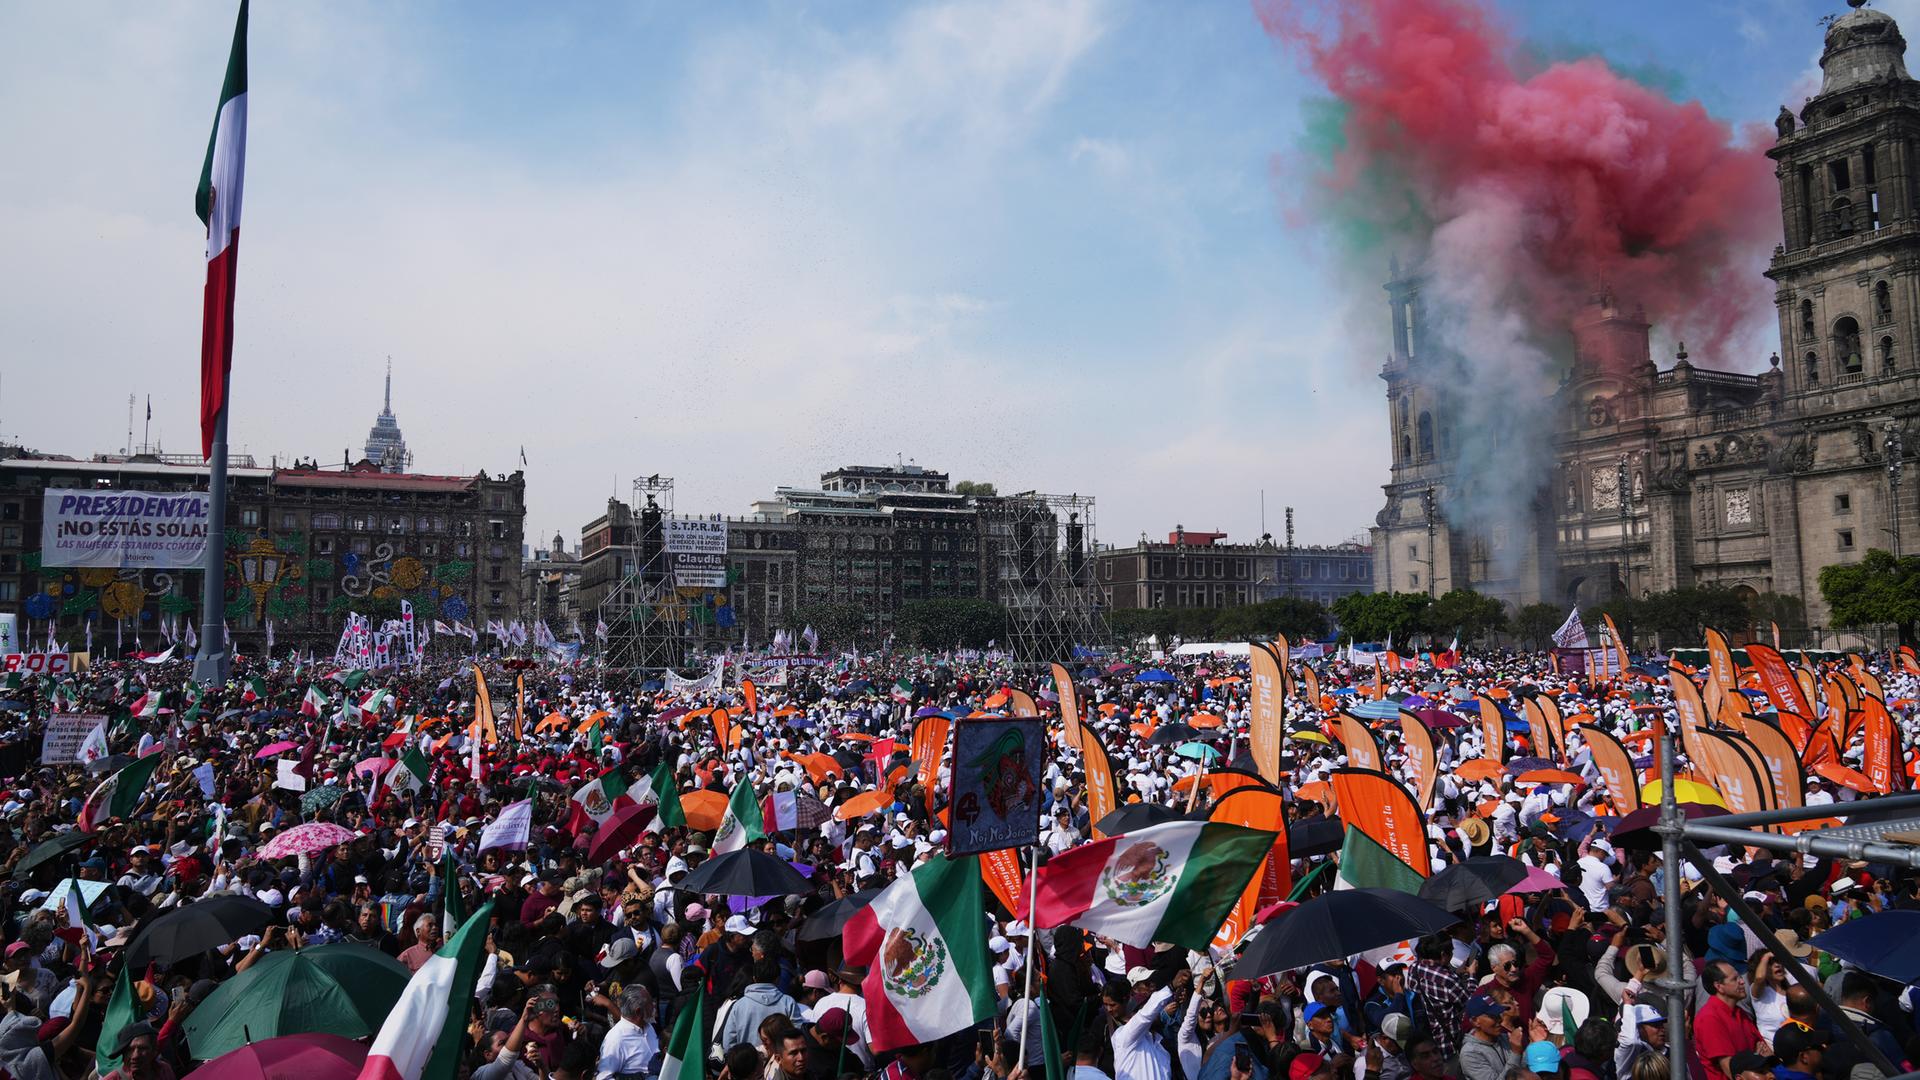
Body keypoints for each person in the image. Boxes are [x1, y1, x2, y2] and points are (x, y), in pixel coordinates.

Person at [1694, 961, 1764, 1080]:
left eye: (1740, 977)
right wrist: (1757, 1056)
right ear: (1719, 987)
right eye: (1734, 979)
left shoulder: (1740, 1013)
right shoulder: (1709, 1018)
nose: (1742, 982)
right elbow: (1729, 1068)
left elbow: (1764, 1050)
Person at [597, 985, 658, 1080]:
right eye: (650, 1004)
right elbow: (603, 1078)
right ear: (638, 1012)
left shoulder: (648, 1026)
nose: (654, 1005)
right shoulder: (615, 1040)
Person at [1459, 995, 1521, 1080]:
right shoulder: (1470, 1053)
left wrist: (1534, 1042)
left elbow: (1525, 1068)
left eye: (1499, 1014)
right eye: (1493, 1016)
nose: (1500, 1019)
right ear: (1475, 1021)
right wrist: (1516, 1053)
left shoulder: (1505, 1037)